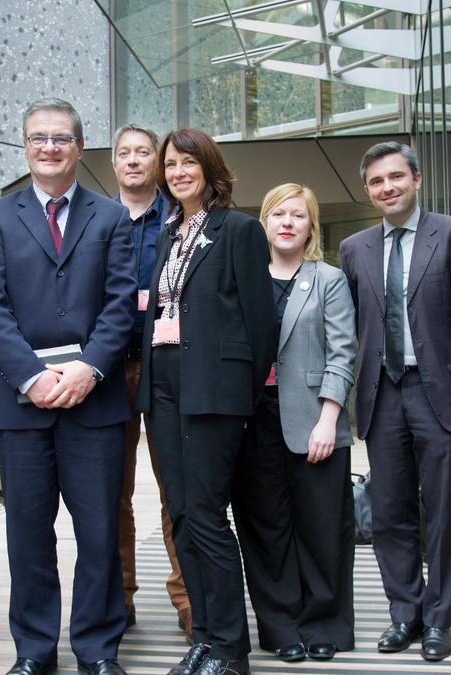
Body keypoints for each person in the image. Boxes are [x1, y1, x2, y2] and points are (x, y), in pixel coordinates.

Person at [0, 98, 136, 675]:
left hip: (95, 401)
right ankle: (35, 650)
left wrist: (89, 368)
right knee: (28, 536)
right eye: (39, 137)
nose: (50, 147)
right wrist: (33, 376)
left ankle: (96, 648)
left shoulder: (111, 217)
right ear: (25, 146)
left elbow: (122, 304)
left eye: (61, 138)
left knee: (98, 533)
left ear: (79, 146)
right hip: (22, 405)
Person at [134, 128, 275, 675]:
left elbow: (261, 323)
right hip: (164, 384)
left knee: (209, 517)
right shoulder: (170, 232)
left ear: (208, 167)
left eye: (188, 162)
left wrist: (241, 395)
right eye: (170, 165)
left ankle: (231, 652)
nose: (177, 172)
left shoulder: (237, 230)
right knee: (182, 516)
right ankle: (204, 636)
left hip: (214, 390)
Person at [338, 141, 451, 662]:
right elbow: (358, 325)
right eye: (376, 182)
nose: (387, 188)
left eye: (396, 177)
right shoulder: (354, 249)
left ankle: (439, 622)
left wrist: (442, 367)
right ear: (368, 189)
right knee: (390, 511)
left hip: (438, 390)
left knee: (442, 512)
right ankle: (405, 614)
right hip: (381, 395)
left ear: (417, 179)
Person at [231, 183, 357, 663]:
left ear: (310, 226)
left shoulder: (328, 279)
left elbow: (343, 353)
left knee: (322, 528)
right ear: (264, 222)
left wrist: (329, 419)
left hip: (313, 419)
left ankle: (323, 623)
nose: (287, 222)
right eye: (278, 213)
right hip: (252, 419)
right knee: (266, 528)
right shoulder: (243, 278)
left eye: (298, 215)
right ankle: (280, 627)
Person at [109, 123, 193, 638]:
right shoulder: (96, 219)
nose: (135, 160)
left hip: (169, 366)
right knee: (111, 493)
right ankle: (120, 599)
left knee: (177, 489)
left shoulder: (182, 219)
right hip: (111, 369)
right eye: (126, 153)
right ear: (114, 162)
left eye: (145, 152)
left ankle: (188, 598)